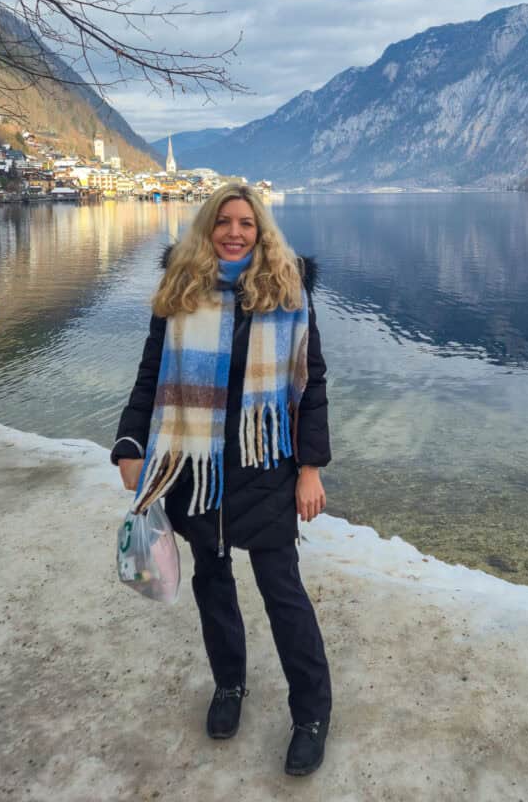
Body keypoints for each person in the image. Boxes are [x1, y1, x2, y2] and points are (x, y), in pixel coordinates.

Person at [111, 183, 332, 776]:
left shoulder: (287, 292)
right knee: (212, 579)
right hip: (196, 464)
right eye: (224, 222)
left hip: (263, 464)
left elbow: (312, 387)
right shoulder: (180, 292)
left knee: (281, 589)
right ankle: (229, 685)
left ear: (262, 231)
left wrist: (310, 468)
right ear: (208, 228)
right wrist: (130, 443)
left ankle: (312, 713)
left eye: (247, 223)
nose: (236, 232)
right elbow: (151, 375)